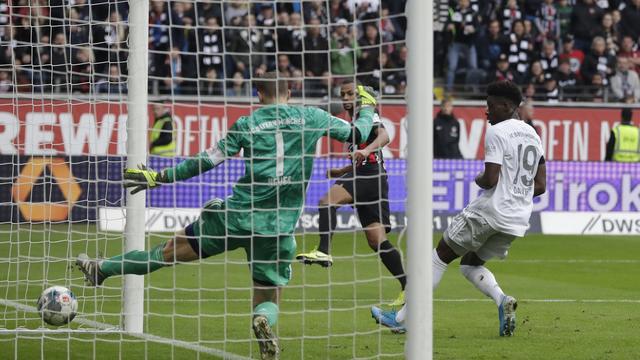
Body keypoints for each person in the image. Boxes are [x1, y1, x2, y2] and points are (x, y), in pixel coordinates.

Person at [76, 72, 378, 360]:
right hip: (277, 229)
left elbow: (207, 160)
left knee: (164, 252)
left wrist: (160, 177)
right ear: (291, 92)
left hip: (234, 218)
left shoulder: (247, 124)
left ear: (258, 94)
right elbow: (358, 133)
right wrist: (367, 106)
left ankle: (103, 269)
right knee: (269, 296)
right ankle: (262, 319)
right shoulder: (313, 117)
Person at [371, 80, 547, 337]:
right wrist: (513, 193)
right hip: (517, 218)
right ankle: (502, 300)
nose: (487, 112)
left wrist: (478, 179)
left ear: (507, 106)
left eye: (490, 106)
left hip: (491, 211)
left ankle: (402, 318)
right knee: (469, 265)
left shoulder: (497, 132)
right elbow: (540, 185)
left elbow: (489, 179)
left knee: (439, 255)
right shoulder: (533, 134)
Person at [295, 79, 407, 307]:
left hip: (370, 175)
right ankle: (409, 287)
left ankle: (324, 250)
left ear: (361, 96)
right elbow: (364, 156)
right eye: (342, 95)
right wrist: (343, 169)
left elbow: (385, 136)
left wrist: (365, 150)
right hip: (372, 175)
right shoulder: (355, 121)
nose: (345, 99)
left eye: (350, 94)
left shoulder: (367, 113)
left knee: (327, 201)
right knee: (376, 240)